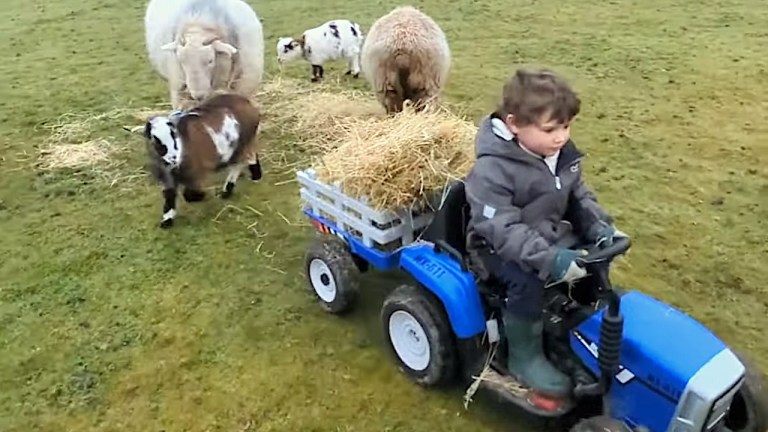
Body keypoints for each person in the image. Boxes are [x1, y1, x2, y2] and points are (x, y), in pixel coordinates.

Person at [464, 68, 627, 398]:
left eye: (566, 126)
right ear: (513, 124)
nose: (561, 137)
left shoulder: (557, 154)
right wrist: (550, 259)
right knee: (527, 280)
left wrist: (598, 226)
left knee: (591, 262)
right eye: (551, 129)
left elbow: (578, 196)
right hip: (494, 248)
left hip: (547, 235)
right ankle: (524, 356)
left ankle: (580, 324)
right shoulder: (491, 170)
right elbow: (502, 229)